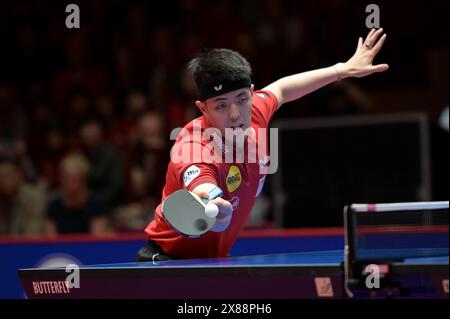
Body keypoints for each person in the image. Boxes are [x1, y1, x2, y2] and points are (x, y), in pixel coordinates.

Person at [137, 28, 388, 261]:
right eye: (221, 105)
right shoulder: (194, 145)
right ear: (203, 108)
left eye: (242, 99)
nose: (235, 114)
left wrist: (342, 70)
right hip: (166, 263)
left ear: (252, 94)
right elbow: (201, 185)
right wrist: (213, 203)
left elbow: (282, 89)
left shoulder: (254, 110)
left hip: (212, 261)